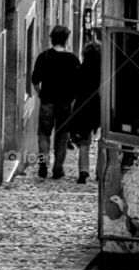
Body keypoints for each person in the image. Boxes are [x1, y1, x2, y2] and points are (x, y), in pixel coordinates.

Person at [31, 24, 81, 179]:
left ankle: (43, 165)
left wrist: (40, 95)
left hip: (47, 102)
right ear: (66, 40)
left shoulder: (44, 56)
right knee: (62, 136)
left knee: (43, 134)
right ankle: (58, 169)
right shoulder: (72, 59)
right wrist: (72, 100)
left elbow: (35, 80)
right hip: (65, 104)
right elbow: (78, 84)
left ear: (52, 39)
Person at [70, 40, 102, 184]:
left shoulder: (79, 70)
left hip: (82, 107)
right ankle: (100, 172)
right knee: (104, 140)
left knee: (84, 142)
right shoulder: (104, 72)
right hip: (99, 106)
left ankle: (83, 171)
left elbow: (74, 91)